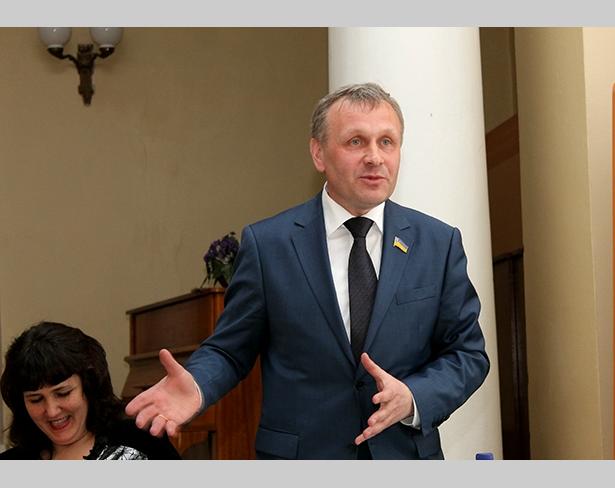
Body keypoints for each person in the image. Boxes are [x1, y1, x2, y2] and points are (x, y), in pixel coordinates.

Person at [126, 82, 490, 460]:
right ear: (319, 153)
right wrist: (199, 385)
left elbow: (467, 354)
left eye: (387, 142)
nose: (374, 157)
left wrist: (415, 397)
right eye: (356, 142)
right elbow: (231, 350)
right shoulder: (269, 245)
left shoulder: (438, 243)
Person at [0, 321, 181, 460]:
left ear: (88, 386)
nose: (52, 411)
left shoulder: (139, 439)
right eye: (36, 399)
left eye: (63, 393)